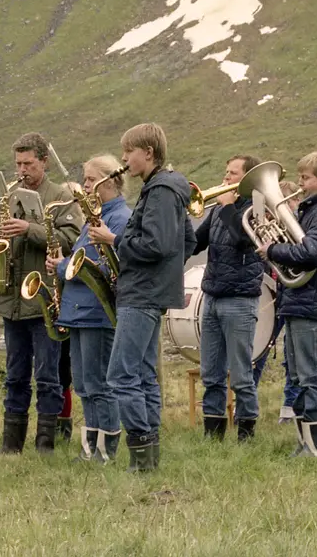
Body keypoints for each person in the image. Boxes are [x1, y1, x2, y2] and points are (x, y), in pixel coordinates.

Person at [104, 123, 195, 472]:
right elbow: (187, 241)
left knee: (121, 375)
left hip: (140, 294)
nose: (124, 159)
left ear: (149, 153)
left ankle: (141, 453)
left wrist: (114, 241)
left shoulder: (159, 189)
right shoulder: (171, 186)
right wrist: (165, 274)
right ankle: (149, 456)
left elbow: (156, 244)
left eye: (129, 151)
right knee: (141, 374)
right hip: (151, 291)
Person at [0, 133, 82, 455]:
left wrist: (28, 229)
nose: (21, 170)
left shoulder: (61, 196)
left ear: (44, 162)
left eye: (28, 164)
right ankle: (11, 444)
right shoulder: (11, 194)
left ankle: (46, 443)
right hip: (12, 300)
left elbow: (72, 238)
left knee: (48, 375)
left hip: (45, 299)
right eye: (18, 164)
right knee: (15, 375)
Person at [261, 150, 317, 457]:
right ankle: (304, 444)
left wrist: (273, 250)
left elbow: (311, 253)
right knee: (298, 375)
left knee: (312, 375)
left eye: (306, 178)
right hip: (299, 299)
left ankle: (313, 447)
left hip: (312, 301)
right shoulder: (312, 210)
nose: (300, 182)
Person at [47, 154, 131, 463]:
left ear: (109, 181)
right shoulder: (94, 217)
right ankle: (90, 446)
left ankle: (105, 449)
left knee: (99, 383)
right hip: (79, 311)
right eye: (85, 179)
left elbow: (98, 265)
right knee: (83, 383)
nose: (85, 185)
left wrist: (62, 266)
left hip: (97, 312)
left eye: (91, 179)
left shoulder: (119, 218)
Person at [192, 154, 265, 442]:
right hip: (211, 296)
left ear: (246, 179)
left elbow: (243, 239)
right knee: (211, 373)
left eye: (232, 174)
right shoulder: (219, 210)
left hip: (239, 300)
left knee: (241, 375)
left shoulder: (257, 209)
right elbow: (196, 243)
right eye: (225, 172)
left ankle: (246, 436)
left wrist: (228, 207)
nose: (225, 179)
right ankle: (214, 436)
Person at [258, 180, 302, 424]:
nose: (294, 206)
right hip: (271, 294)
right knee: (260, 348)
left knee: (292, 353)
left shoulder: (296, 227)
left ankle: (290, 406)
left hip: (291, 292)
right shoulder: (267, 225)